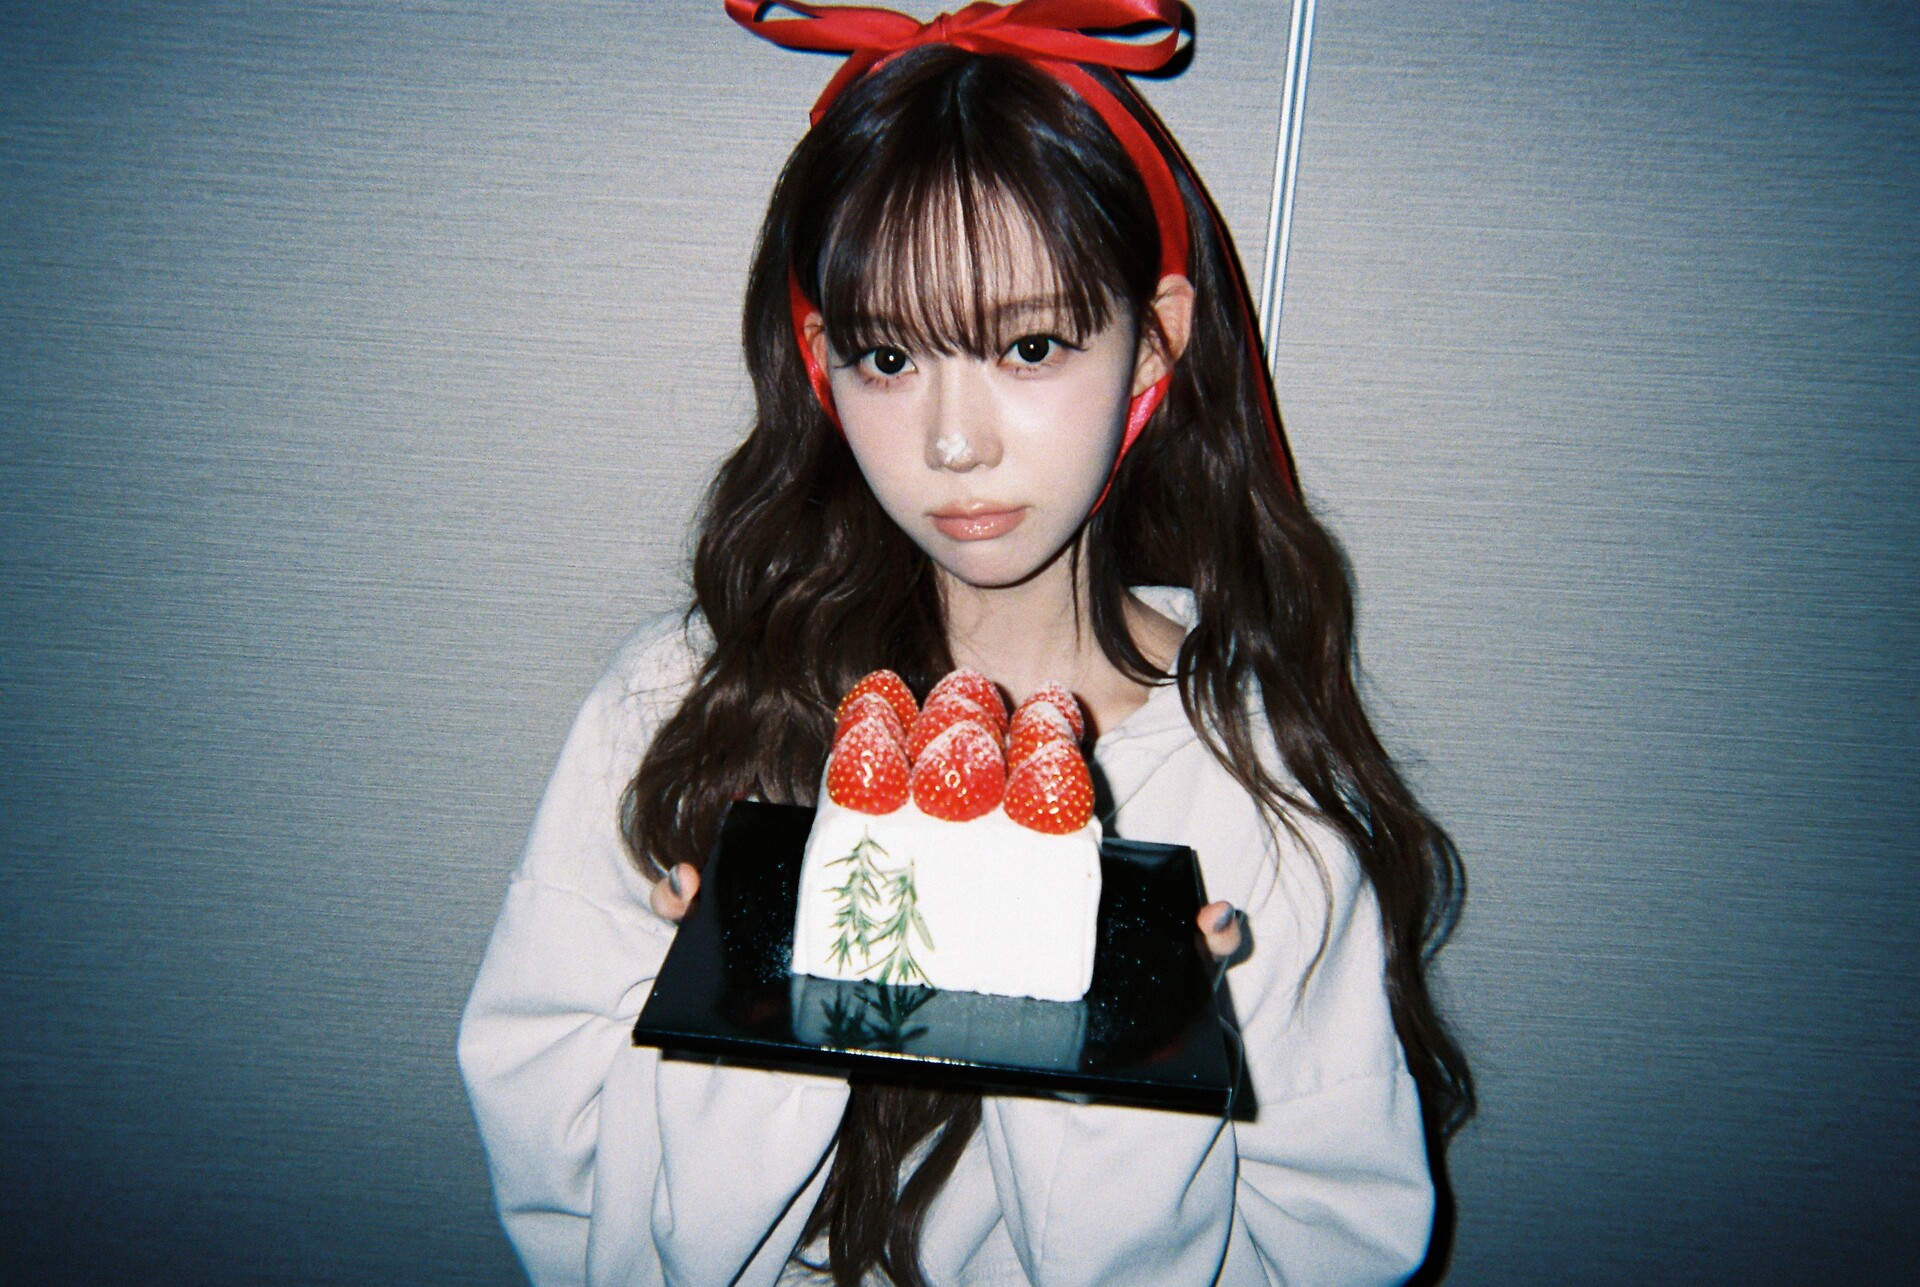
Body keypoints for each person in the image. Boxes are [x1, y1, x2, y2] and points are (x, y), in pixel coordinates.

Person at [458, 3, 1473, 1284]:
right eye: (888, 355)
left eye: (1029, 346)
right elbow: (568, 1202)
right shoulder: (681, 705)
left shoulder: (1248, 785)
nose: (953, 442)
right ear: (822, 361)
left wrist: (1123, 1043)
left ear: (1153, 342)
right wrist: (754, 1008)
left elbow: (1331, 1252)